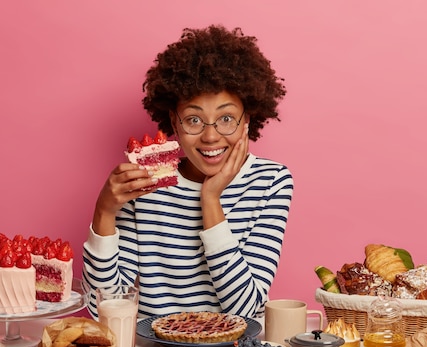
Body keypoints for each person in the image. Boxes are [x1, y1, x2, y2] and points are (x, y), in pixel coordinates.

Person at [82, 25, 293, 319]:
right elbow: (102, 309)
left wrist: (211, 199)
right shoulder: (145, 183)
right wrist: (104, 211)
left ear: (249, 119)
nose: (210, 137)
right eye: (194, 119)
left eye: (226, 118)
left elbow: (244, 311)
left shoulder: (271, 182)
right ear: (174, 121)